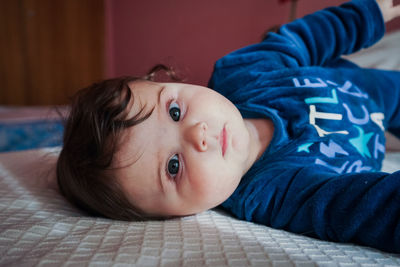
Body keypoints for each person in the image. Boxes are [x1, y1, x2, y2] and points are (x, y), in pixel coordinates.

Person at [57, 0, 400, 253]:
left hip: (377, 90)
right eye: (173, 166)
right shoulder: (274, 193)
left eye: (175, 112)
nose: (197, 134)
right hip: (371, 140)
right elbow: (364, 207)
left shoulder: (242, 72)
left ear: (174, 82)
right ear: (172, 216)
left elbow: (301, 39)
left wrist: (367, 14)